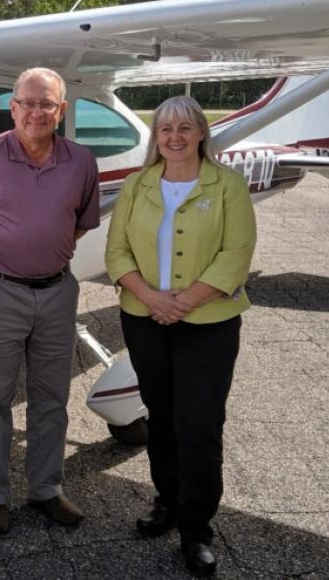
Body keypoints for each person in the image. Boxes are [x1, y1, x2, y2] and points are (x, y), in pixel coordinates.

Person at [103, 96, 256, 577]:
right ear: (156, 137)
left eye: (185, 128)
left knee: (200, 426)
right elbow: (117, 251)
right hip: (145, 319)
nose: (174, 137)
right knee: (162, 418)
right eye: (165, 129)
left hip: (207, 324)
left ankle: (197, 528)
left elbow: (236, 253)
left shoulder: (228, 185)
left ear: (201, 133)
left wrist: (182, 302)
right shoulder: (137, 185)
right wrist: (152, 298)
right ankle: (168, 503)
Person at [0, 67, 100, 536]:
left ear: (62, 110)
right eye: (27, 103)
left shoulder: (81, 162)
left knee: (52, 396)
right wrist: (0, 255)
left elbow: (80, 222)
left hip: (57, 291)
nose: (36, 112)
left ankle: (46, 488)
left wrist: (40, 254)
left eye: (47, 104)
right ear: (12, 107)